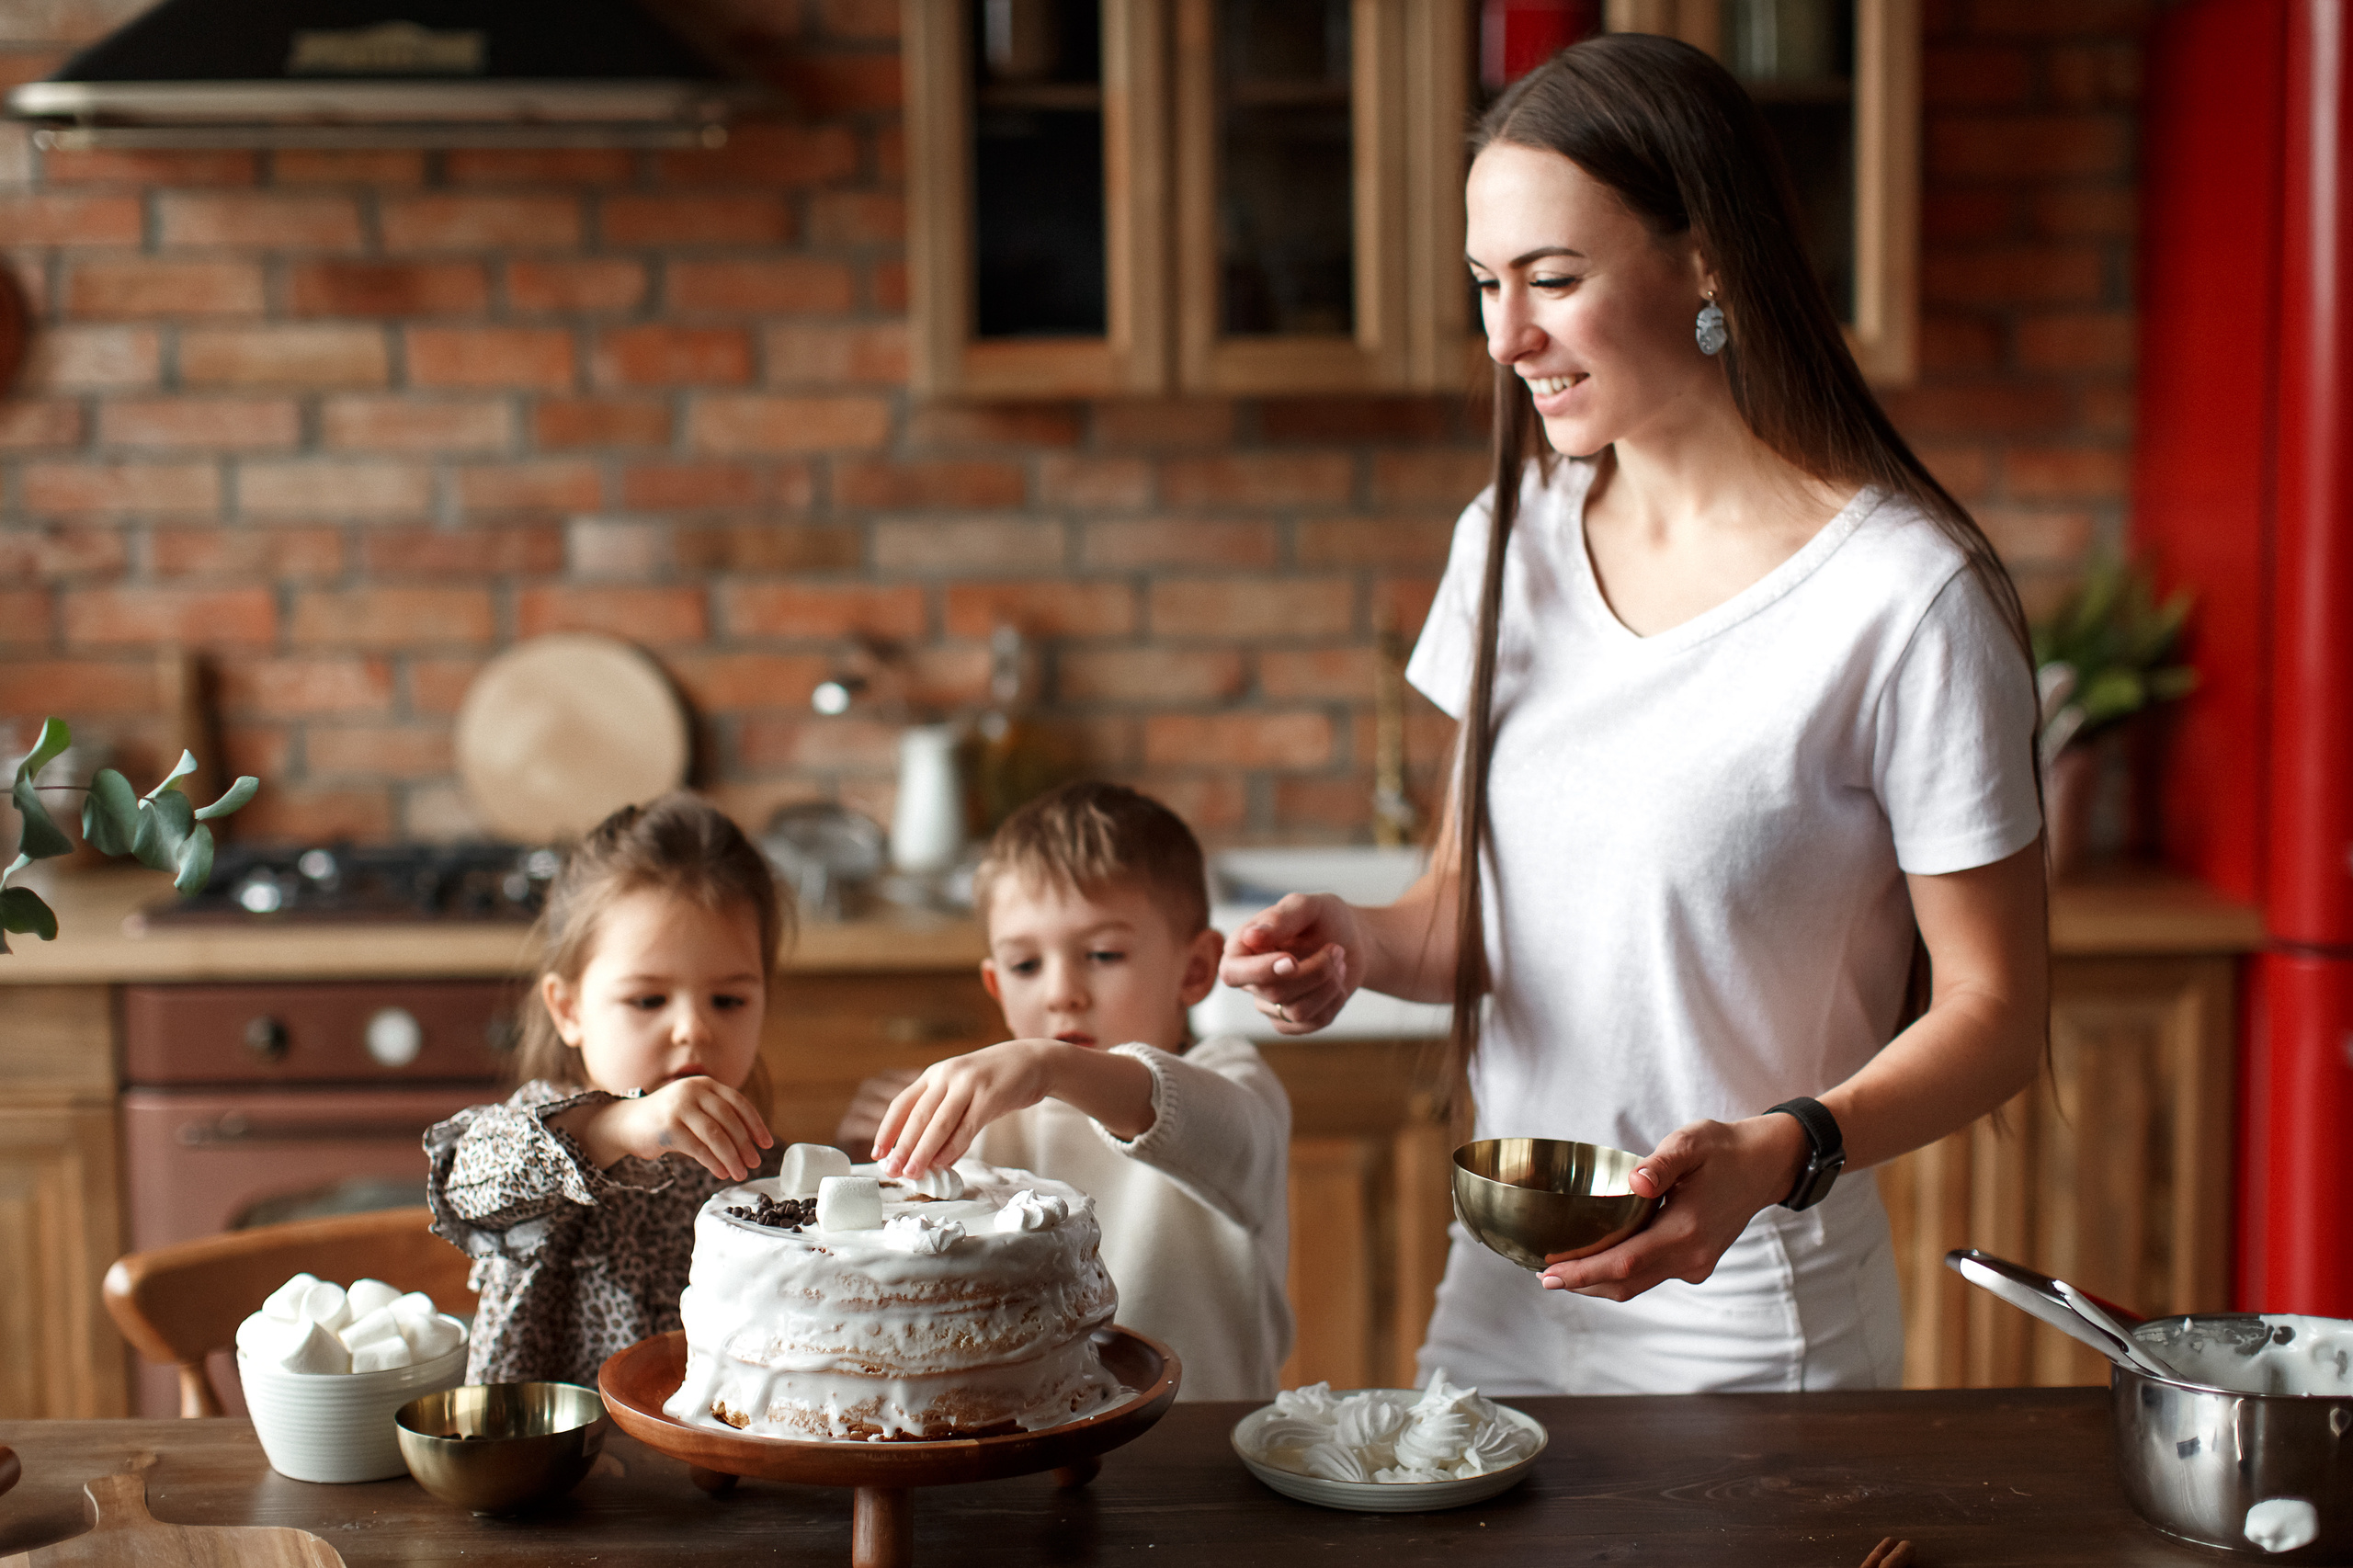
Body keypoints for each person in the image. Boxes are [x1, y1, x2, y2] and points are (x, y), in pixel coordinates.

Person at [1219, 33, 2049, 1396]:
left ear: (1707, 258)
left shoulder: (1904, 599)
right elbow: (1464, 910)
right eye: (1487, 284)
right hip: (1502, 1287)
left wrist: (1786, 1146)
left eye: (1554, 279)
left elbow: (1999, 1010)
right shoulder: (1510, 539)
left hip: (1751, 1311)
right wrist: (1357, 946)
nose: (1505, 337)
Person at [857, 780, 1293, 1401]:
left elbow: (1192, 1116)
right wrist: (888, 1164)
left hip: (1198, 1455)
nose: (1061, 991)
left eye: (1103, 953)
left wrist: (1047, 1065)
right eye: (1026, 965)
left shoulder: (1235, 1082)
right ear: (996, 985)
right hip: (1028, 1453)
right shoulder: (987, 1119)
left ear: (1195, 969)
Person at [425, 793, 785, 1387]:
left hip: (712, 1465)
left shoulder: (762, 1168)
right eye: (648, 1000)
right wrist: (615, 1127)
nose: (694, 1028)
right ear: (569, 1009)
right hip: (551, 1463)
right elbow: (465, 1186)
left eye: (729, 1000)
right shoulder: (542, 1130)